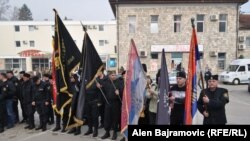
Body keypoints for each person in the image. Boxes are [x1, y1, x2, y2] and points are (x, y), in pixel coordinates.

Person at [99, 71, 123, 140]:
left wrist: (119, 92)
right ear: (109, 76)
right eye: (112, 75)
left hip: (116, 103)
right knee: (107, 118)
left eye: (115, 75)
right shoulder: (106, 82)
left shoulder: (119, 82)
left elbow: (122, 91)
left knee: (115, 118)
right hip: (108, 102)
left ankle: (114, 132)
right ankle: (107, 132)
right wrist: (99, 86)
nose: (114, 76)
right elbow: (102, 90)